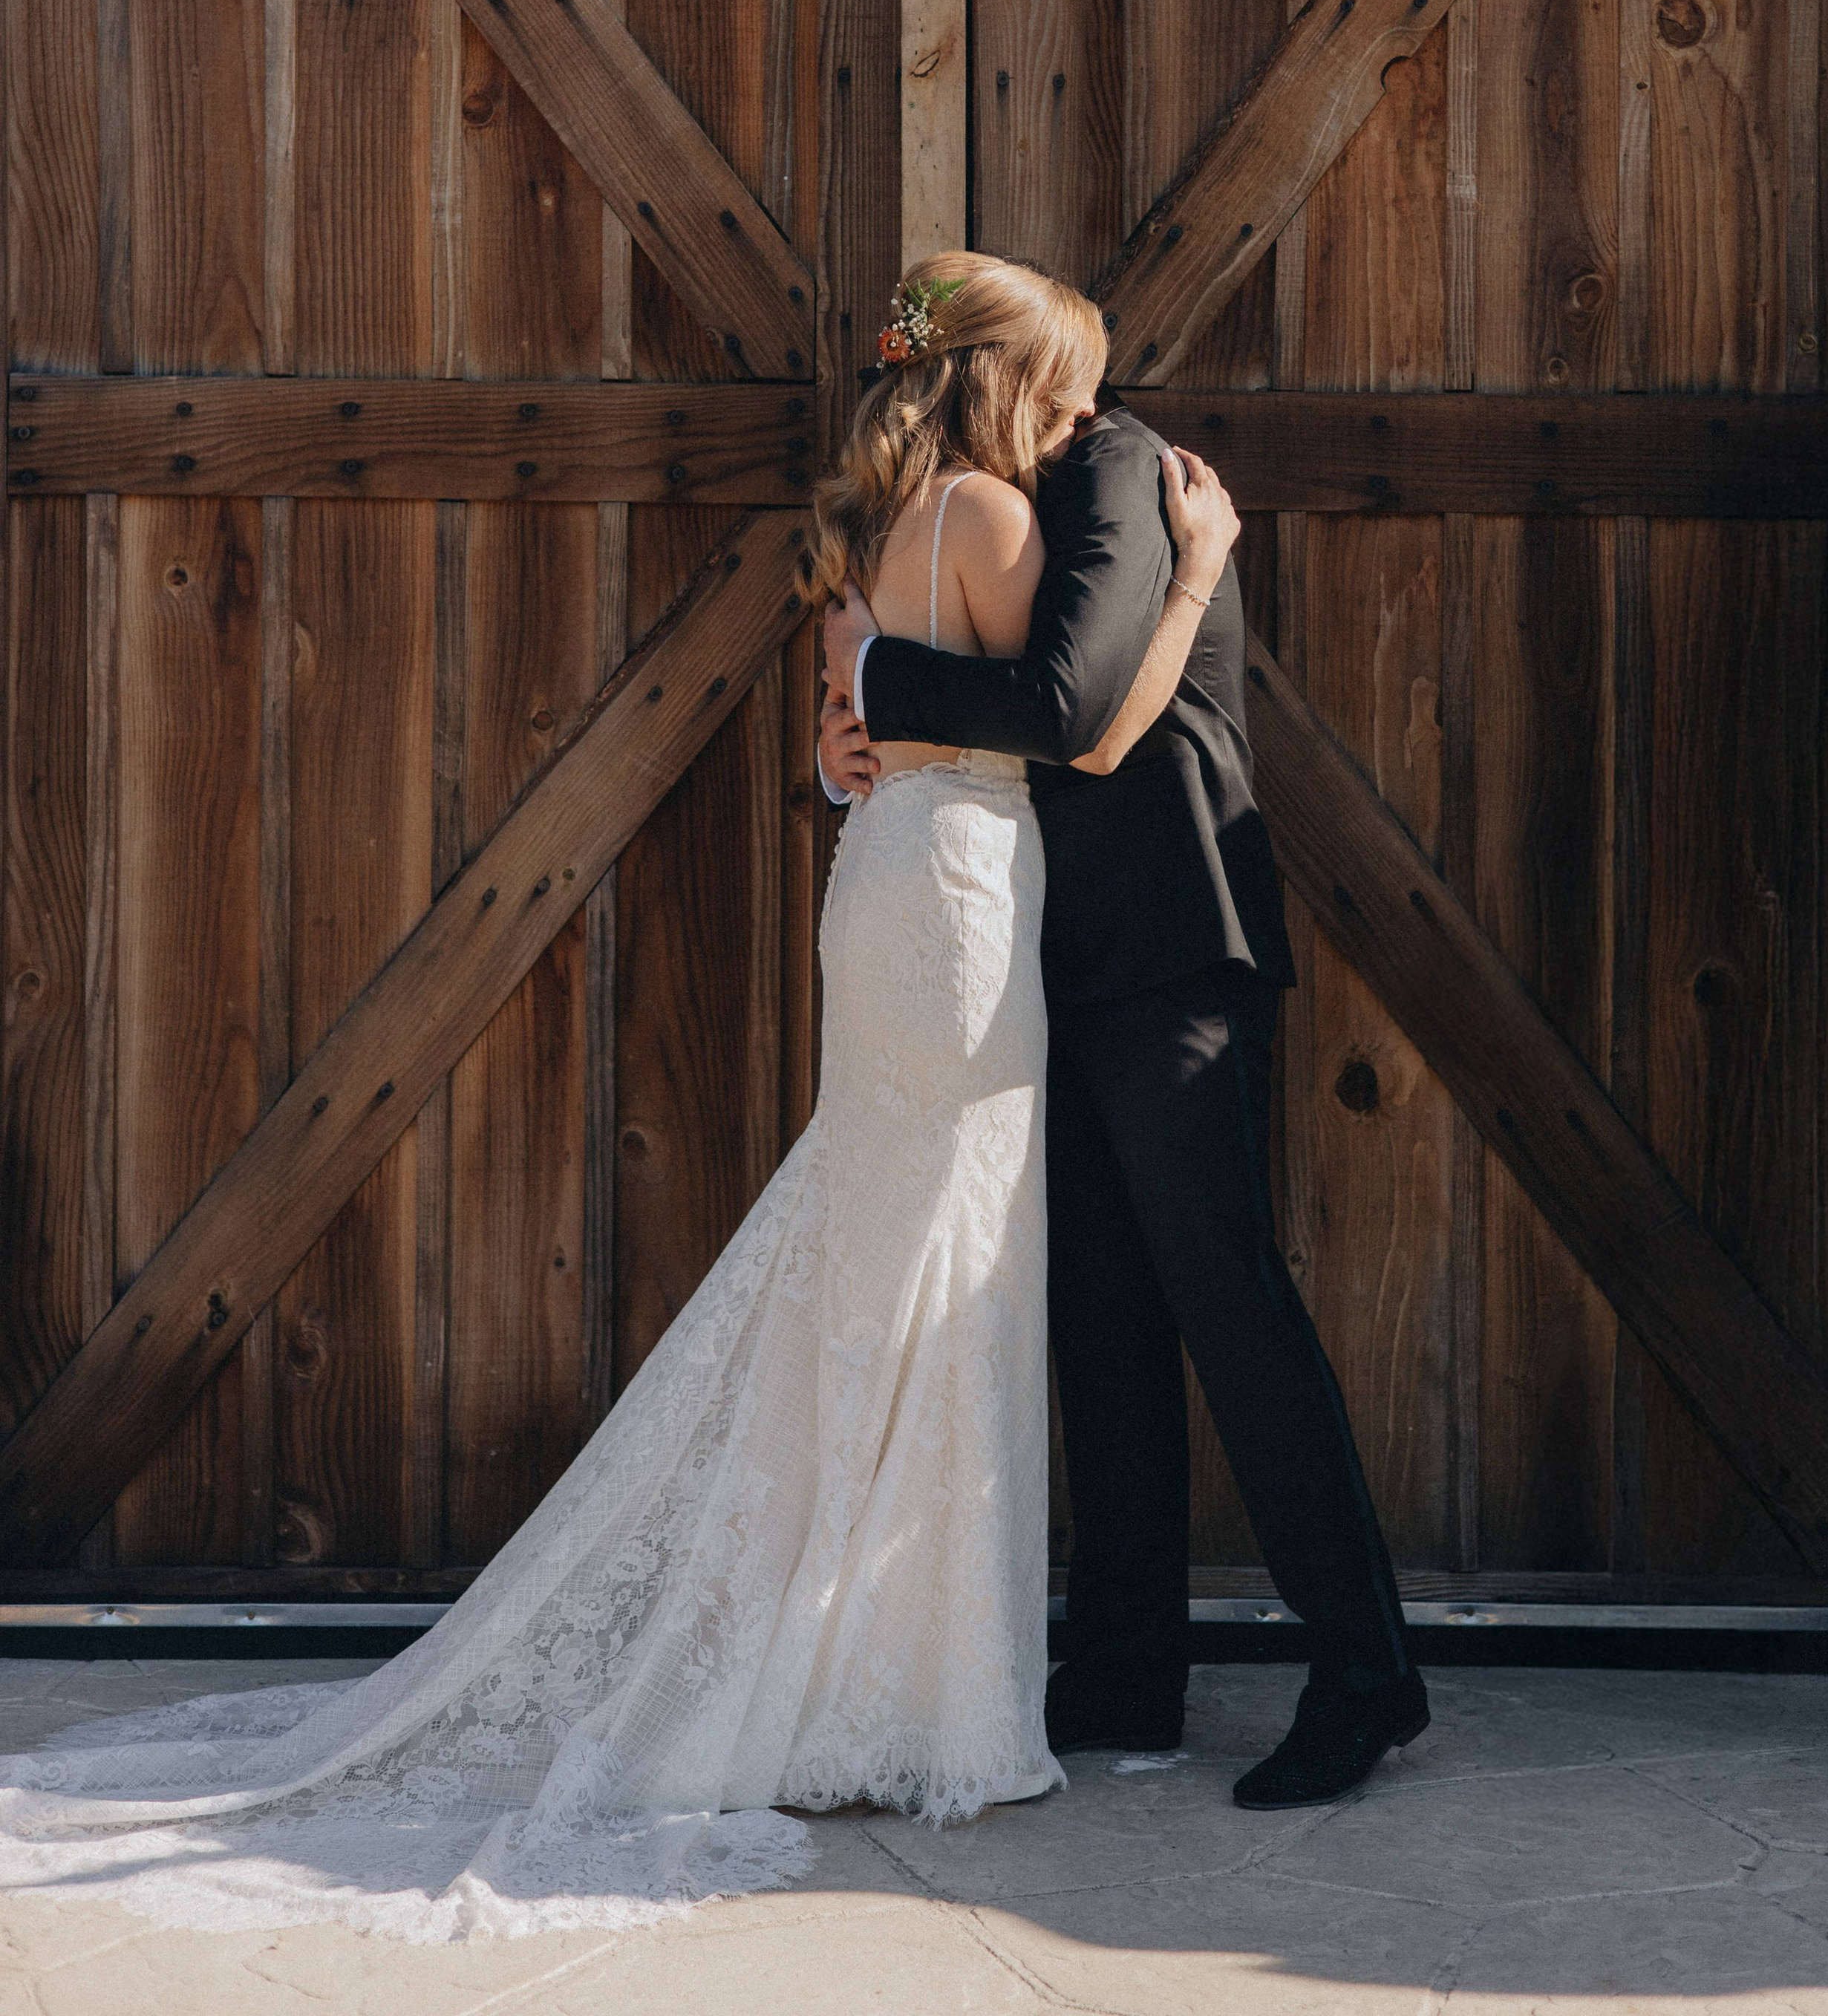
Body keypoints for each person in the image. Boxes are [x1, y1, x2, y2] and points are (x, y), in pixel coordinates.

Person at [0, 253, 1237, 1945]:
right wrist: (1192, 584)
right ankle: (919, 1692)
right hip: (954, 903)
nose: (1085, 413)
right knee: (944, 1274)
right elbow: (1084, 730)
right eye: (1066, 382)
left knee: (877, 1251)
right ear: (998, 387)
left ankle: (865, 1665)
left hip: (882, 885)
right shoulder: (991, 524)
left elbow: (851, 719)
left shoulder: (866, 535)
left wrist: (845, 739)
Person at [820, 303, 1429, 1813]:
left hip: (1169, 945)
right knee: (1100, 1323)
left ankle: (1366, 1676)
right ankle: (1120, 1668)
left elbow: (1072, 711)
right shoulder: (980, 503)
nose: (1074, 398)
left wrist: (877, 687)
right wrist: (851, 752)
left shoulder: (1114, 469)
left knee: (1229, 1302)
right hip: (1050, 965)